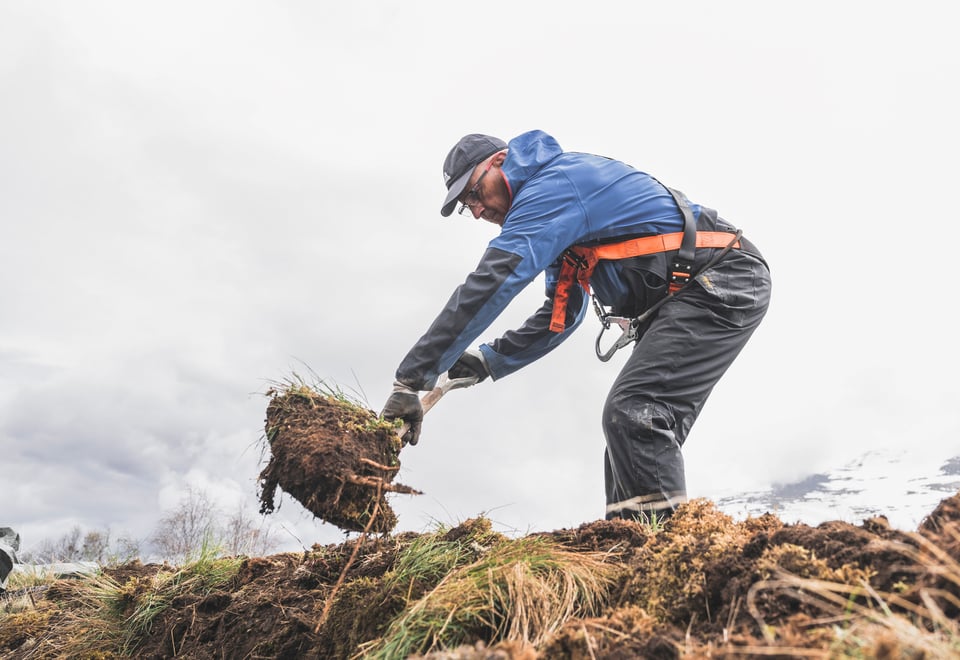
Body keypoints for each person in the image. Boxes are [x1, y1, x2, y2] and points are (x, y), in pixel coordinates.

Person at [381, 130, 771, 523]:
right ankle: (626, 551)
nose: (477, 210)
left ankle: (668, 560)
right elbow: (561, 316)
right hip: (691, 294)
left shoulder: (554, 187)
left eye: (474, 192)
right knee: (629, 433)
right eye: (467, 205)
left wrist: (411, 381)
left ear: (499, 162)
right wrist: (488, 359)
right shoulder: (559, 217)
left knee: (636, 413)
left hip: (720, 279)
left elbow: (493, 281)